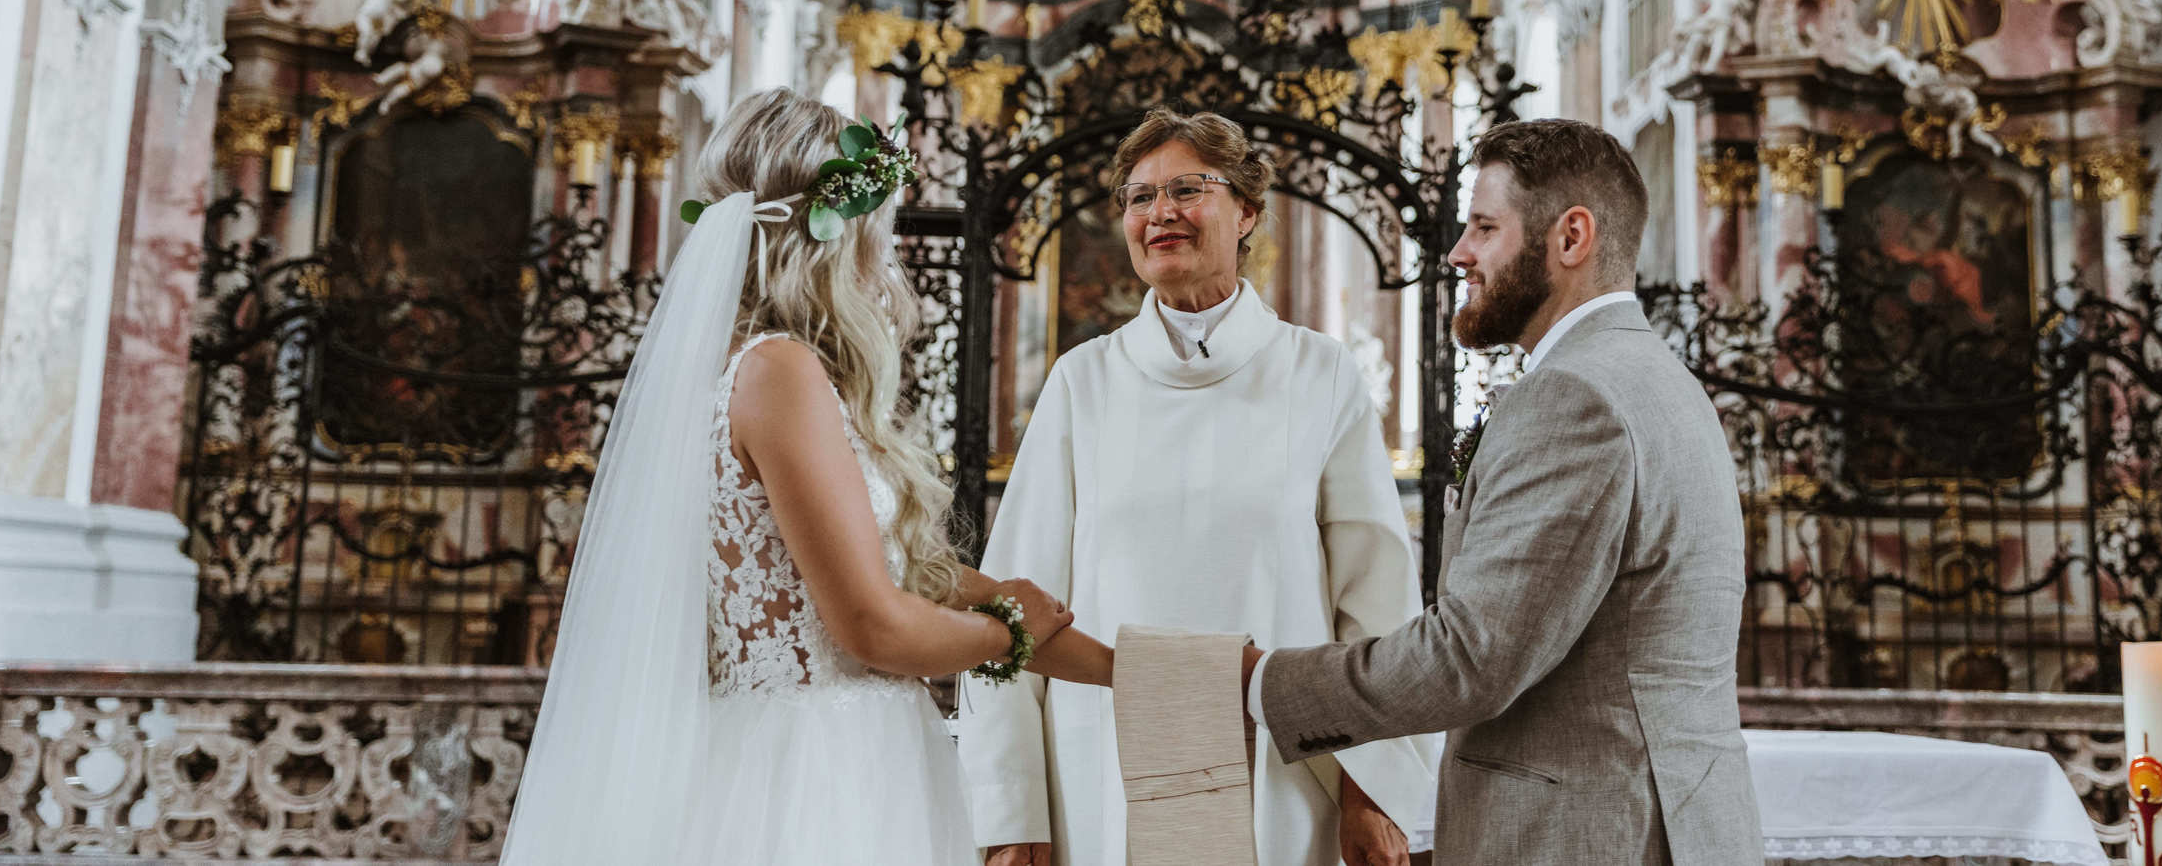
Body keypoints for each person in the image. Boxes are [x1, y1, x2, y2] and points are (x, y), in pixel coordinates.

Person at [504, 89, 1112, 865]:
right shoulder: (778, 374)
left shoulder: (741, 371)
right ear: (836, 233)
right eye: (878, 232)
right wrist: (1005, 629)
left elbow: (880, 577)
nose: (883, 260)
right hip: (817, 771)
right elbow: (872, 624)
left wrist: (1076, 643)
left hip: (806, 750)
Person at [1243, 118, 1763, 865]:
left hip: (1587, 836)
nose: (1459, 251)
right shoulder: (1660, 379)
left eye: (1485, 226)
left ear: (1571, 237)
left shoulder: (1576, 397)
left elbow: (1469, 658)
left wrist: (1264, 680)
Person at [962, 108, 1439, 866]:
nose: (1161, 213)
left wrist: (1371, 787)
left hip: (1279, 771)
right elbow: (1013, 606)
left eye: (1188, 188)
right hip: (1100, 771)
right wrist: (1011, 812)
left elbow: (1377, 610)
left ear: (1247, 209)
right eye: (1139, 196)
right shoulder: (1081, 383)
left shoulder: (1320, 377)